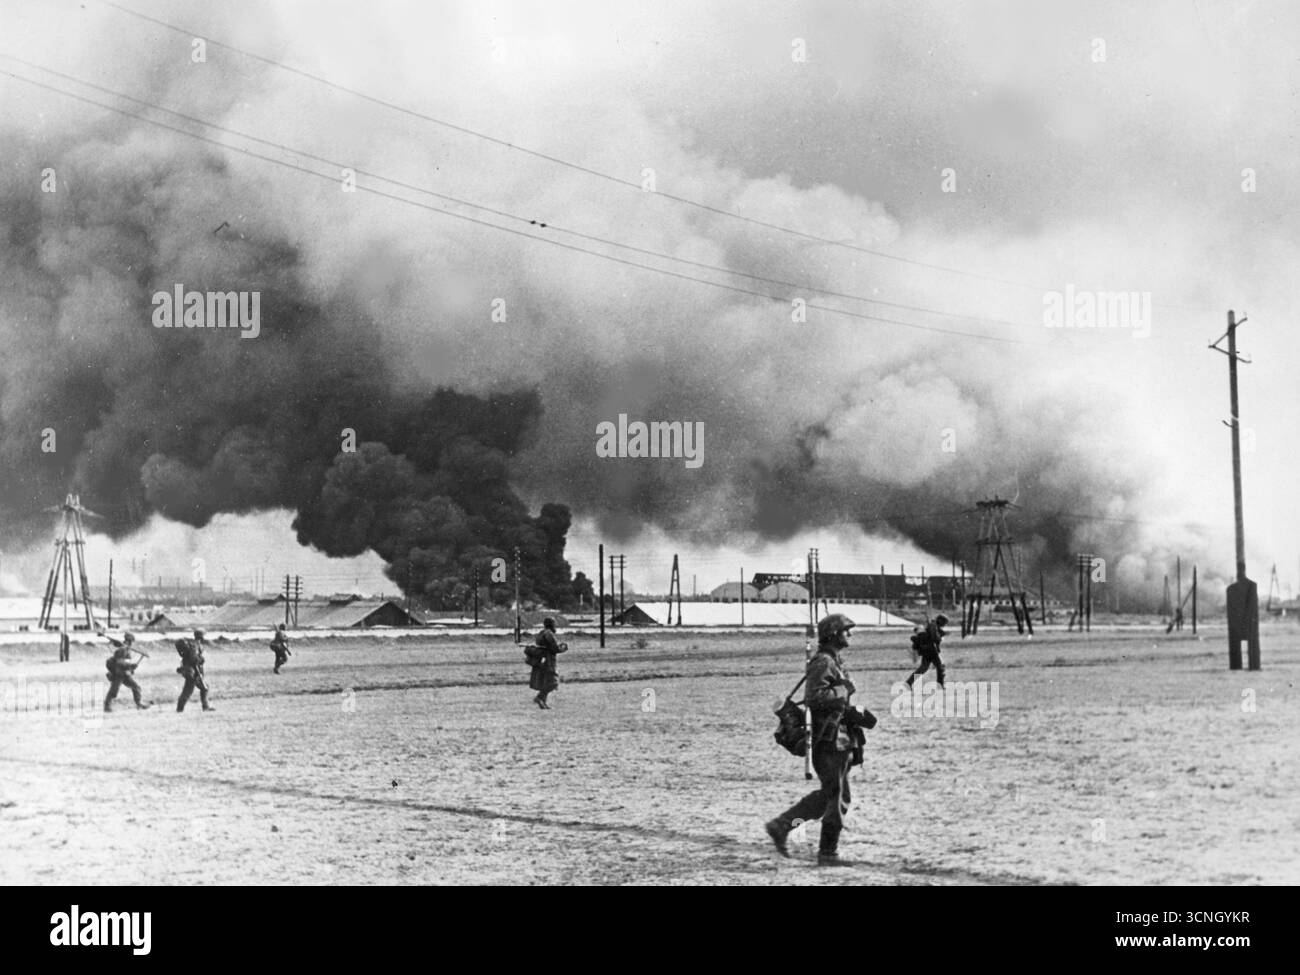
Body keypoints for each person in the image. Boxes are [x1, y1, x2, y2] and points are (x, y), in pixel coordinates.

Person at [765, 613, 876, 866]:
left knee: (827, 797)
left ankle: (782, 826)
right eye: (847, 630)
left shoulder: (832, 660)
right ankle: (827, 853)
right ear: (835, 634)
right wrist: (844, 689)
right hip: (830, 742)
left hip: (840, 738)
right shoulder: (824, 662)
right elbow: (815, 698)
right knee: (837, 798)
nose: (851, 634)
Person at [103, 631, 150, 712]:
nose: (132, 644)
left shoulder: (127, 650)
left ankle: (139, 703)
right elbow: (119, 662)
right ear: (128, 641)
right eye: (131, 642)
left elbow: (126, 663)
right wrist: (131, 666)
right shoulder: (122, 650)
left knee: (136, 687)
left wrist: (131, 668)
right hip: (119, 674)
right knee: (114, 691)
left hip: (125, 674)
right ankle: (107, 707)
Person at [528, 617, 567, 709]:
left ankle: (543, 702)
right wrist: (563, 648)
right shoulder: (549, 634)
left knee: (545, 681)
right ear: (551, 625)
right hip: (549, 660)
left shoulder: (541, 633)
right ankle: (540, 697)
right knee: (553, 682)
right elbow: (555, 648)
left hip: (542, 660)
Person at [176, 628, 215, 713]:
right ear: (202, 637)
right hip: (193, 672)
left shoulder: (193, 644)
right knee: (190, 690)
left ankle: (180, 708)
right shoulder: (195, 645)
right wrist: (201, 659)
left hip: (191, 671)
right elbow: (194, 659)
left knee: (199, 688)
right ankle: (181, 709)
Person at [906, 614, 948, 689]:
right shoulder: (933, 626)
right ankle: (940, 685)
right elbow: (935, 638)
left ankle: (908, 683)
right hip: (932, 650)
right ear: (941, 621)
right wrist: (940, 636)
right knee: (940, 667)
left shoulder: (933, 625)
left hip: (927, 650)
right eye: (944, 623)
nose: (944, 625)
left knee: (923, 669)